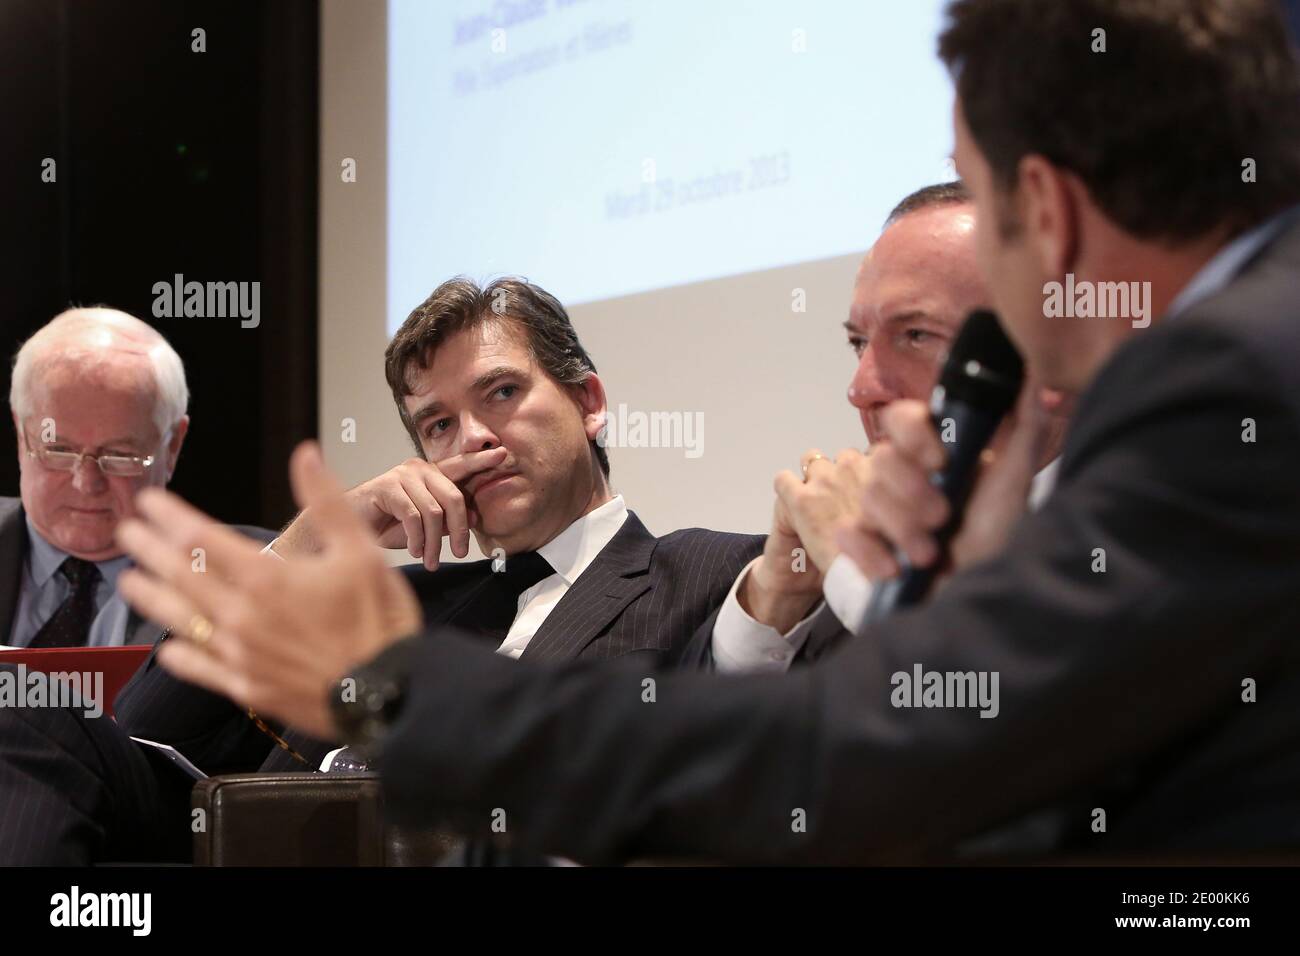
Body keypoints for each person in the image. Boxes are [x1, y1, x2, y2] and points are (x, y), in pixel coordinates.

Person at [121, 0, 1300, 865]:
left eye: (975, 200)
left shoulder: (1224, 383)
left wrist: (389, 687)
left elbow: (859, 760)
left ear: (1039, 208)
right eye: (434, 419)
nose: (467, 442)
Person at [697, 182, 1068, 674]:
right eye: (858, 342)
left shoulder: (1133, 531)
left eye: (916, 334)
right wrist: (775, 599)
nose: (860, 388)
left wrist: (858, 579)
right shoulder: (855, 554)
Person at [1, 308, 189, 648]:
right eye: (58, 450)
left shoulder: (235, 582)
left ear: (172, 445)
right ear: (20, 433)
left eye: (118, 455)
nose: (86, 483)